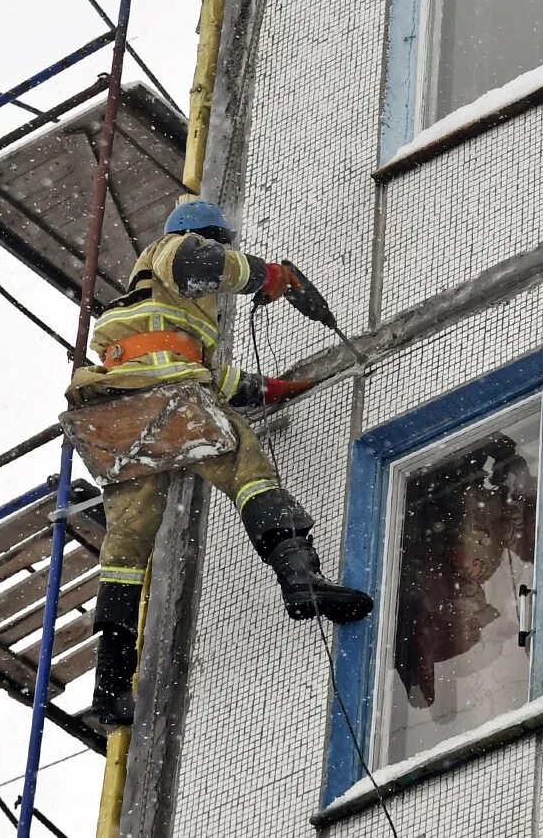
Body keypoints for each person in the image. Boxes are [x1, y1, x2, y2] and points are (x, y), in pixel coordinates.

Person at [74, 195, 373, 725]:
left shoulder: (143, 310)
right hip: (164, 396)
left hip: (113, 414)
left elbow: (211, 377)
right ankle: (299, 576)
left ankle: (111, 687)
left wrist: (272, 388)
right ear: (208, 234)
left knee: (125, 547)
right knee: (248, 472)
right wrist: (272, 277)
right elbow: (204, 265)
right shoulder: (175, 250)